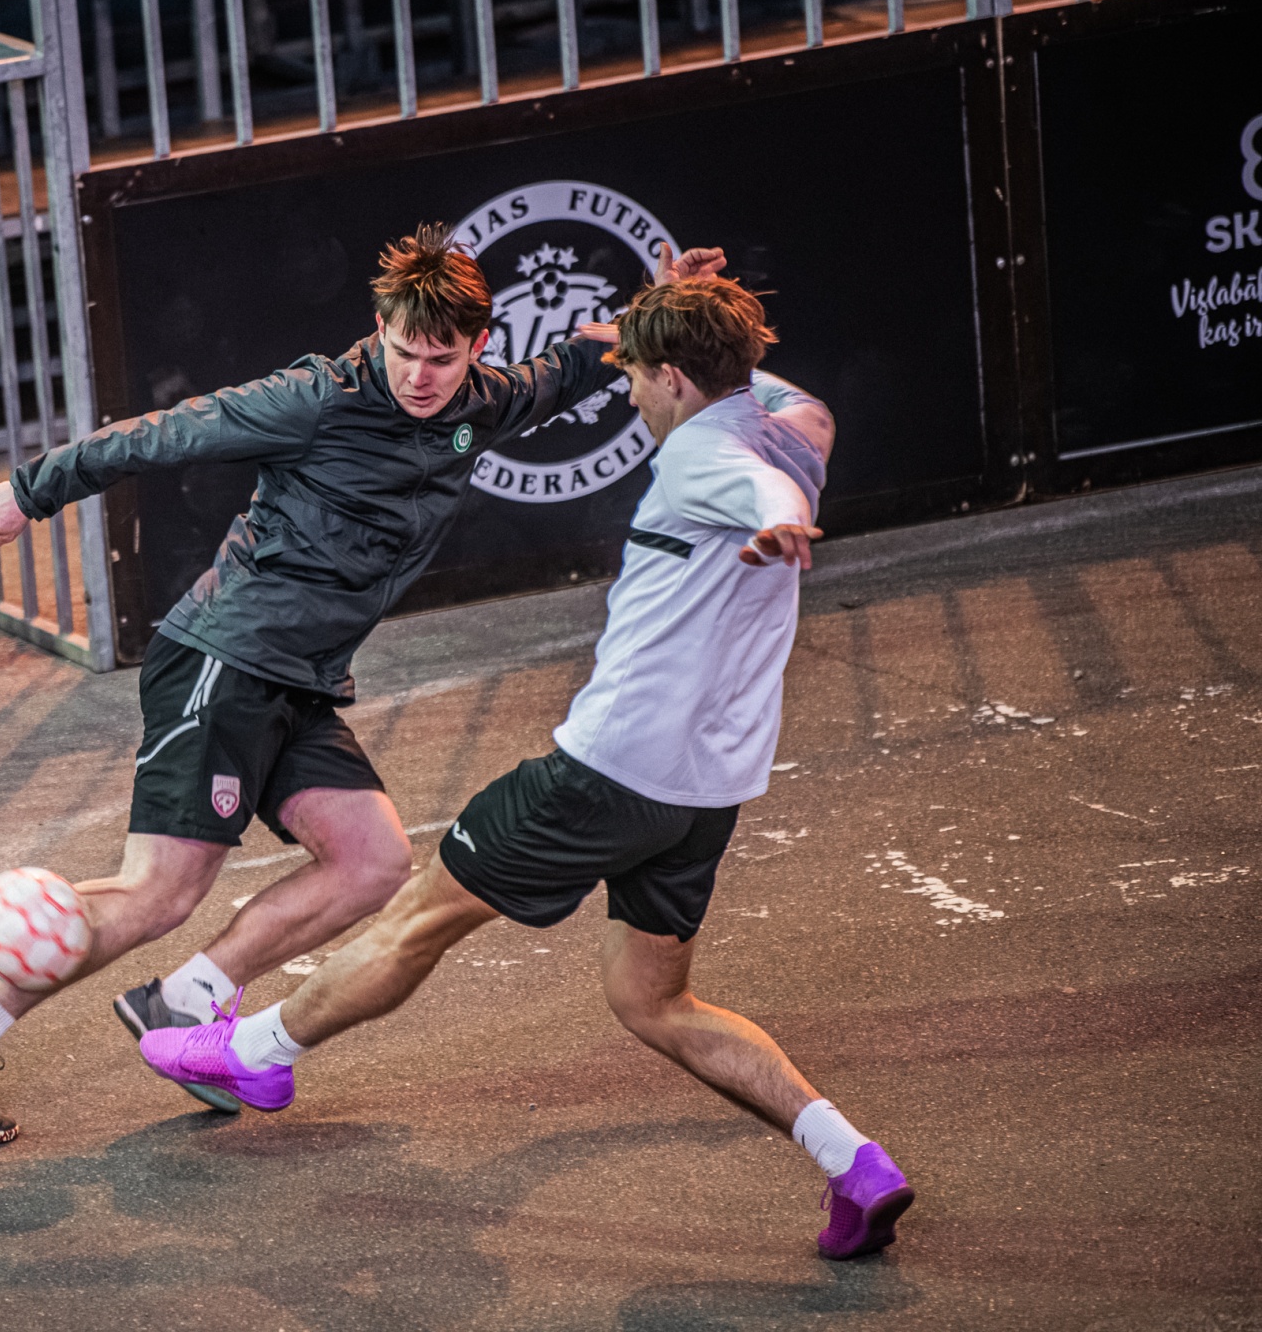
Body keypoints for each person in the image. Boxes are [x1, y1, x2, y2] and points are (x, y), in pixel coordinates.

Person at [139, 273, 915, 1261]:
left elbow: (752, 489)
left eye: (637, 377)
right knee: (656, 1003)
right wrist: (691, 324)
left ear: (676, 380)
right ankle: (853, 1161)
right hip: (706, 795)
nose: (630, 393)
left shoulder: (707, 460)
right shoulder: (799, 426)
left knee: (419, 917)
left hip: (602, 776)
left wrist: (781, 521)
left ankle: (257, 1052)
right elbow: (776, 406)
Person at [0, 225, 726, 1145]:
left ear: (478, 347)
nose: (419, 376)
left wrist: (660, 304)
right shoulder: (315, 399)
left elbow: (583, 357)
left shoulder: (485, 401)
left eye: (441, 359)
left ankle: (186, 999)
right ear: (380, 330)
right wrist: (28, 491)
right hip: (224, 659)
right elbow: (167, 434)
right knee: (160, 893)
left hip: (302, 681)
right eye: (403, 352)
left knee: (372, 862)